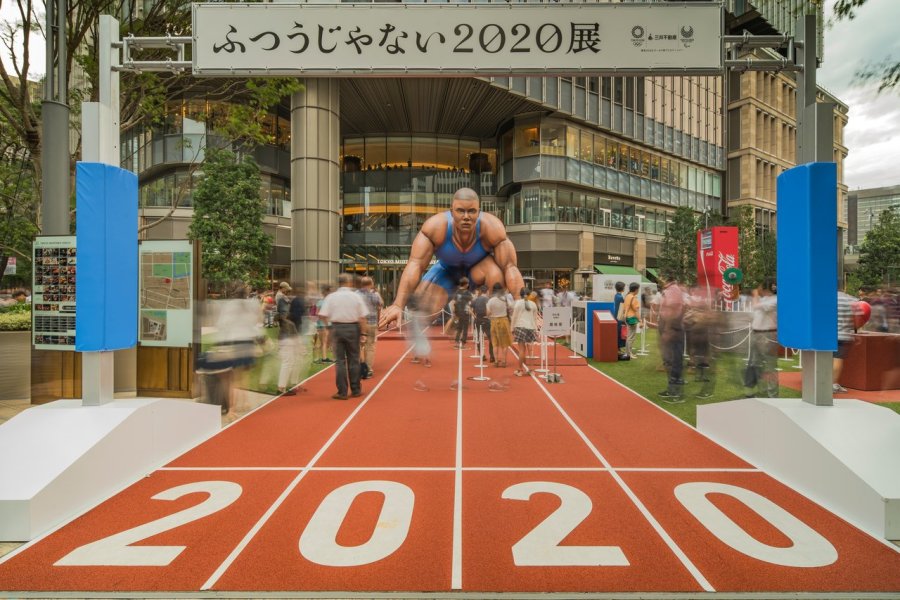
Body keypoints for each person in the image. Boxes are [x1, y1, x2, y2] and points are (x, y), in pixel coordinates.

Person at [378, 187, 525, 329]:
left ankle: (491, 318)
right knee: (423, 310)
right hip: (446, 271)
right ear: (452, 212)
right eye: (461, 211)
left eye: (472, 211)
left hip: (478, 271)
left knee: (496, 274)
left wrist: (522, 307)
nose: (466, 217)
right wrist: (398, 304)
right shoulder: (435, 227)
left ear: (478, 212)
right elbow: (415, 264)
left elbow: (510, 267)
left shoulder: (493, 228)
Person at [318, 273, 369, 400]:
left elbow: (322, 315)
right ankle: (356, 389)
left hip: (337, 328)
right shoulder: (355, 296)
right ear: (349, 282)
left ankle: (342, 392)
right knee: (354, 359)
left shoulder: (331, 297)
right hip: (353, 328)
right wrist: (363, 333)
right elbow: (362, 317)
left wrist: (329, 327)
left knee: (340, 361)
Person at [746, 281, 778, 398]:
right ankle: (762, 390)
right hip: (757, 334)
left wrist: (755, 295)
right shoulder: (764, 299)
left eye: (759, 285)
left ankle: (772, 395)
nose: (757, 288)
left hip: (768, 335)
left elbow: (756, 306)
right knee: (756, 364)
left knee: (770, 366)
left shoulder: (775, 300)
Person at [657, 275, 686, 401]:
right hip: (669, 326)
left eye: (661, 276)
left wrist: (668, 329)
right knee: (669, 360)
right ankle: (671, 389)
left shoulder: (673, 290)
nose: (659, 278)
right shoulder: (669, 290)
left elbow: (674, 310)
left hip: (673, 328)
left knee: (674, 360)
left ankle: (676, 393)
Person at [357, 276, 383, 379]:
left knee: (359, 346)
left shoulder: (356, 295)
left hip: (359, 323)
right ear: (371, 284)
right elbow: (380, 306)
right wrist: (378, 320)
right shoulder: (375, 294)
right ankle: (368, 369)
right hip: (371, 322)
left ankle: (360, 366)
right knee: (370, 346)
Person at [834, 288, 859, 394]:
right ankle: (833, 383)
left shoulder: (825, 298)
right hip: (843, 334)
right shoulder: (853, 300)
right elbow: (858, 318)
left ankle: (821, 383)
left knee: (825, 359)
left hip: (826, 334)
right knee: (837, 359)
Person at [511, 287, 538, 377]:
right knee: (530, 350)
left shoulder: (518, 304)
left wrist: (512, 328)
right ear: (529, 294)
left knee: (522, 350)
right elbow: (535, 318)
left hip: (520, 327)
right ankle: (531, 370)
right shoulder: (533, 304)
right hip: (531, 327)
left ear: (520, 294)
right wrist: (536, 329)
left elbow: (514, 317)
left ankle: (520, 370)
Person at [487, 283, 512, 367]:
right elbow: (511, 307)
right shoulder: (505, 299)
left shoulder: (490, 300)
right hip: (504, 321)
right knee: (505, 343)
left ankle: (496, 361)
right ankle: (504, 361)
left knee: (495, 343)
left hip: (494, 321)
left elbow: (488, 313)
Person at [471, 284, 495, 364]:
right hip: (487, 319)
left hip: (478, 319)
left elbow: (470, 309)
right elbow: (490, 311)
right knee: (491, 338)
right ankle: (492, 356)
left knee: (479, 338)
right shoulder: (488, 299)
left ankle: (482, 355)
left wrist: (475, 316)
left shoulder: (476, 299)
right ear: (487, 291)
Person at [451, 277, 474, 349]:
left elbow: (453, 303)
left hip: (458, 313)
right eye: (468, 283)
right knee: (465, 328)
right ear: (466, 284)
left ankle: (457, 342)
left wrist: (454, 313)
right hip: (465, 312)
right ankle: (463, 343)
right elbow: (471, 302)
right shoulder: (468, 293)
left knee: (459, 328)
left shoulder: (456, 292)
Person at [623, 282, 642, 359]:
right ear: (636, 289)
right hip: (632, 318)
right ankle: (629, 353)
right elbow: (636, 311)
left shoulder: (627, 296)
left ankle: (628, 352)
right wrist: (640, 320)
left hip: (627, 317)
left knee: (629, 336)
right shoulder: (633, 298)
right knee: (631, 337)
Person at [613, 281, 626, 358]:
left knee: (618, 332)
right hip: (619, 316)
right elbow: (622, 308)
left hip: (617, 316)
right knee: (619, 333)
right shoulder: (620, 297)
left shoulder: (617, 296)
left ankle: (618, 348)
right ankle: (618, 348)